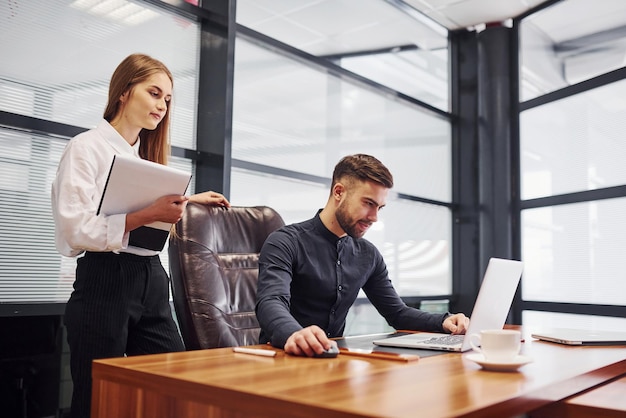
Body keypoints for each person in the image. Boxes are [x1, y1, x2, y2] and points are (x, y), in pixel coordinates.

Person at [51, 53, 230, 418]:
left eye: (166, 99)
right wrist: (150, 213)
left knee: (173, 382)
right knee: (97, 401)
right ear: (124, 92)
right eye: (153, 93)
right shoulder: (85, 148)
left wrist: (185, 201)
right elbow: (75, 228)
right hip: (105, 280)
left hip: (150, 279)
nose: (162, 105)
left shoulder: (142, 159)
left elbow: (127, 204)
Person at [256, 154, 469, 357]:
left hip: (335, 360)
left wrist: (444, 321)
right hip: (283, 356)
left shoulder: (368, 254)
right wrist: (294, 333)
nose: (374, 217)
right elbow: (271, 302)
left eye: (379, 207)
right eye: (368, 203)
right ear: (338, 192)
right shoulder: (285, 241)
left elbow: (397, 313)